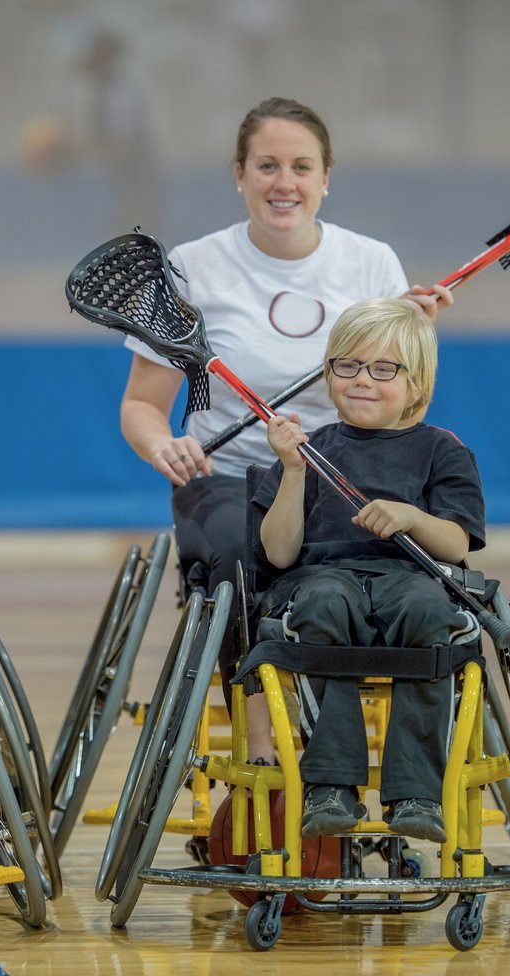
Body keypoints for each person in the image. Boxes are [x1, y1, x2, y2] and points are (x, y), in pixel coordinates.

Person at [117, 96, 452, 762]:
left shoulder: (370, 264)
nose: (283, 183)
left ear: (326, 177)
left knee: (398, 573)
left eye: (301, 166)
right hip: (228, 478)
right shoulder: (190, 267)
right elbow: (140, 406)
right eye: (266, 165)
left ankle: (372, 755)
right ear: (238, 174)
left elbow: (397, 396)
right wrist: (165, 446)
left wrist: (408, 336)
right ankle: (262, 750)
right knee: (241, 556)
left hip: (343, 477)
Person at [252, 298, 484, 842]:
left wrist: (412, 516)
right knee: (322, 603)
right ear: (328, 371)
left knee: (431, 611)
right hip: (320, 581)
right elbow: (280, 554)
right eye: (347, 366)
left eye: (384, 369)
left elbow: (455, 543)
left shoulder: (441, 451)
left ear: (417, 382)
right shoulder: (311, 453)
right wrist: (290, 471)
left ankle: (417, 794)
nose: (362, 381)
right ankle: (331, 786)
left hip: (410, 578)